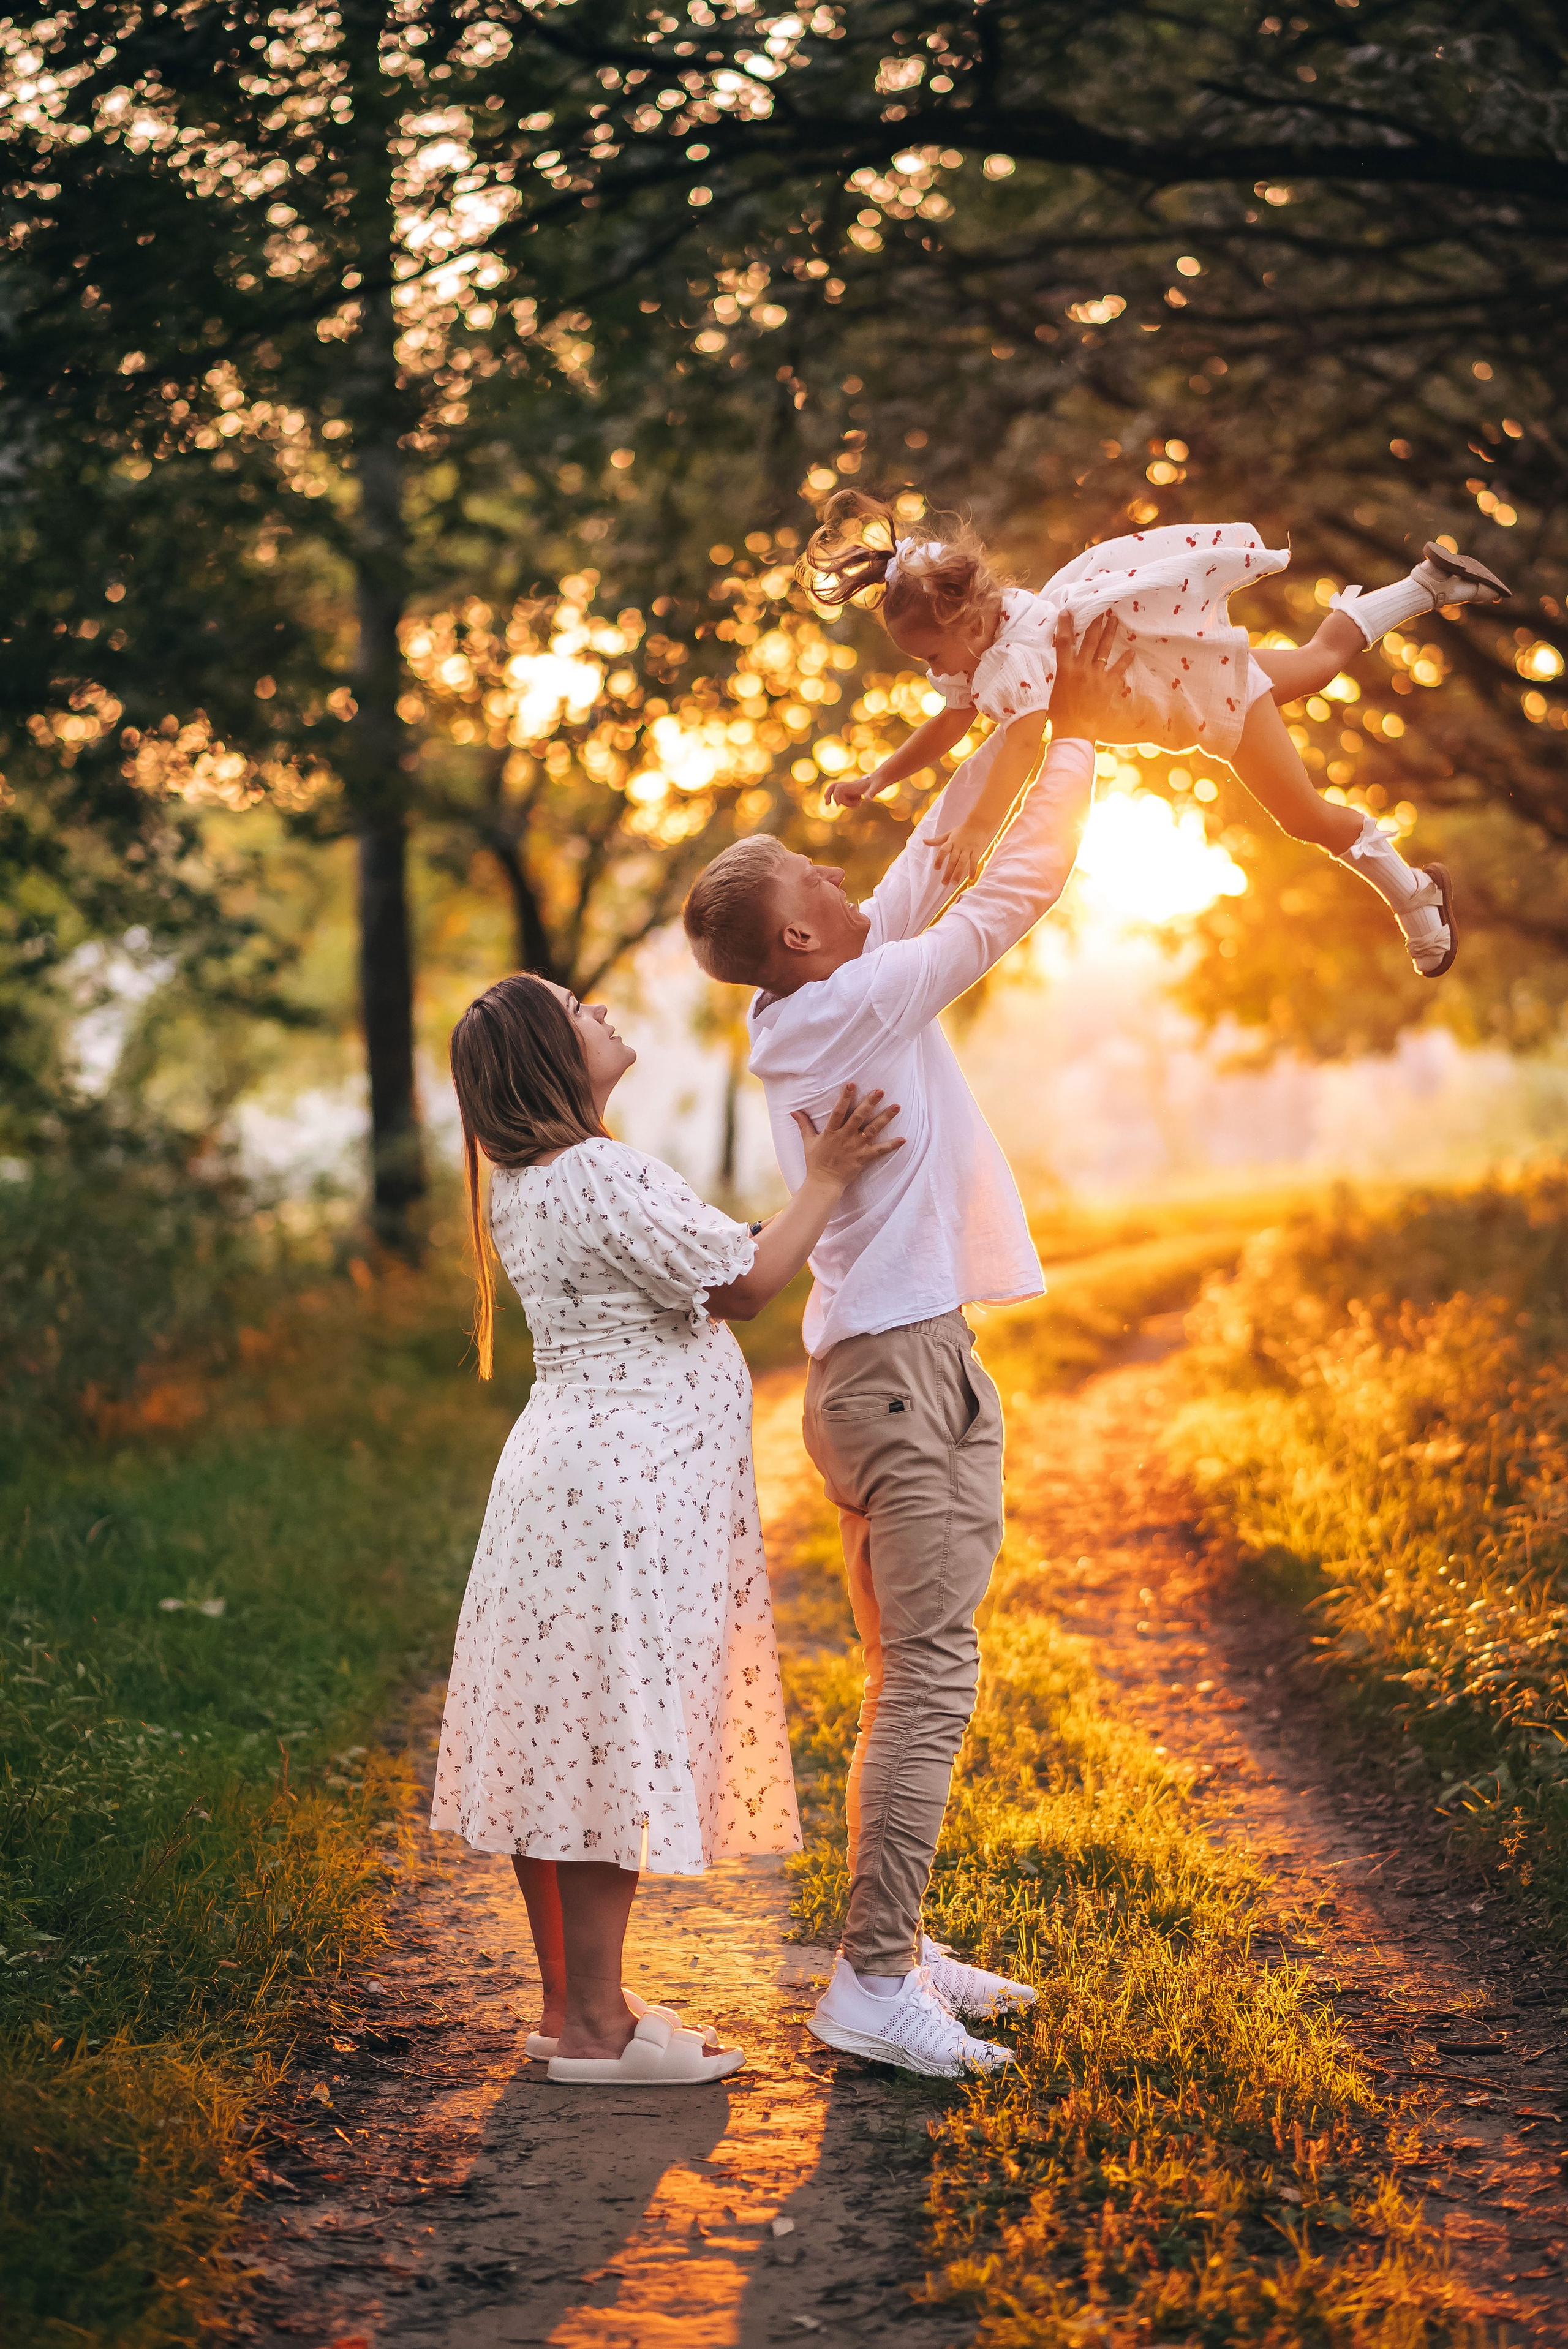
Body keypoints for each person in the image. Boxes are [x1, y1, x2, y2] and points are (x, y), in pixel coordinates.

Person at [680, 611, 1129, 2077]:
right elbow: (1002, 895)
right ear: (802, 933)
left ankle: (895, 1936)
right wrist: (1076, 742)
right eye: (818, 873)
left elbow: (937, 843)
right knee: (929, 1671)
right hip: (885, 1376)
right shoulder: (852, 994)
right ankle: (868, 1977)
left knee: (911, 1668)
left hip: (903, 1356)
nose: (839, 869)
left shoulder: (824, 980)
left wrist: (1023, 695)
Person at [431, 972, 903, 2086]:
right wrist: (829, 1177)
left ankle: (575, 2006)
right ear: (553, 1057)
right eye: (579, 1009)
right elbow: (747, 1282)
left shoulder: (525, 1182)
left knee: (565, 1742)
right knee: (606, 1754)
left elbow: (692, 1253)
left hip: (560, 1488)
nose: (602, 1012)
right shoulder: (601, 1171)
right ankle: (597, 2030)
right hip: (622, 1501)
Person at [807, 489, 1510, 979]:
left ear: (962, 624)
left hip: (1207, 701)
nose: (933, 672)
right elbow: (949, 720)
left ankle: (1416, 896)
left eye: (930, 656)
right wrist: (880, 776)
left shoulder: (1017, 654)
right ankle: (1427, 584)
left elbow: (1023, 746)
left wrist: (976, 833)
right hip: (1187, 678)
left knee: (1302, 815)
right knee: (1321, 663)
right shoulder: (983, 652)